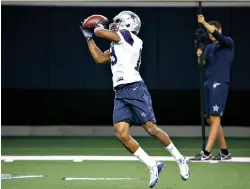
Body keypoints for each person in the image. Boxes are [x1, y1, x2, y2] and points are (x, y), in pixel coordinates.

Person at [80, 11, 190, 187]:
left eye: (118, 21)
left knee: (151, 128)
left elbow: (100, 32)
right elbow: (99, 58)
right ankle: (152, 165)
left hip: (134, 88)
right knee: (121, 133)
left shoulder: (128, 37)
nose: (114, 24)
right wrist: (88, 38)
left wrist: (95, 27)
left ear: (129, 24)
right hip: (120, 92)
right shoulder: (119, 43)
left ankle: (180, 159)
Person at [191, 15, 234, 161]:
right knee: (211, 119)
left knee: (215, 117)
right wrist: (199, 55)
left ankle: (207, 152)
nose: (211, 34)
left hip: (220, 82)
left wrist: (203, 23)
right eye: (209, 33)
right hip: (208, 82)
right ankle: (224, 152)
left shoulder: (227, 43)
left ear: (219, 30)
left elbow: (216, 34)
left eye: (213, 31)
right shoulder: (209, 48)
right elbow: (202, 65)